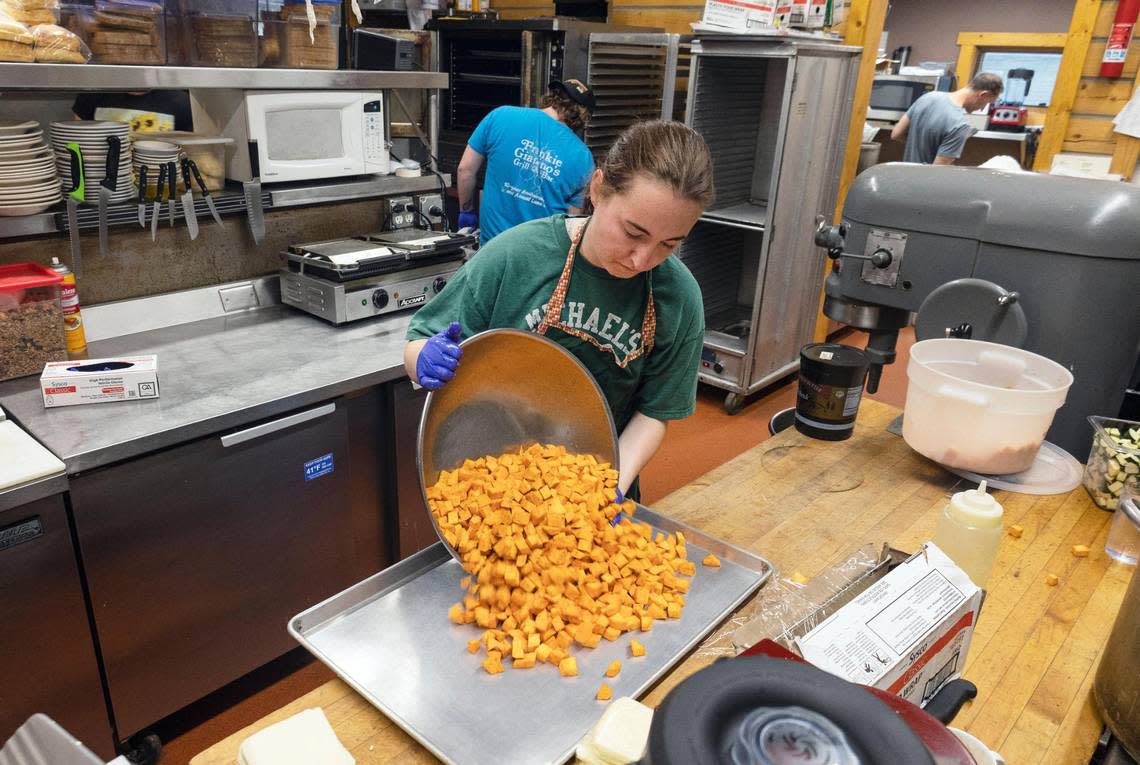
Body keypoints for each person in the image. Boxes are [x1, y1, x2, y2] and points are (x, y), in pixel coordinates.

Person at [406, 120, 715, 501]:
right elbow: (419, 340)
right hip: (491, 477)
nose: (641, 259)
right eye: (633, 233)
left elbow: (655, 413)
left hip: (597, 481)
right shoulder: (516, 255)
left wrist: (610, 488)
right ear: (598, 189)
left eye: (668, 245)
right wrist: (424, 359)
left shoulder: (679, 297)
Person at [456, 79, 597, 246]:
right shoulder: (583, 157)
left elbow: (465, 170)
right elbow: (571, 224)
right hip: (540, 260)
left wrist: (467, 213)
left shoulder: (501, 115)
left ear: (553, 97)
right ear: (583, 115)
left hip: (491, 253)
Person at [891, 73, 1003, 165]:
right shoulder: (960, 125)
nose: (982, 108)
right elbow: (937, 171)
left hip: (905, 175)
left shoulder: (928, 97)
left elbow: (896, 134)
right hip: (925, 187)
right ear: (983, 94)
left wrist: (921, 146)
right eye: (987, 102)